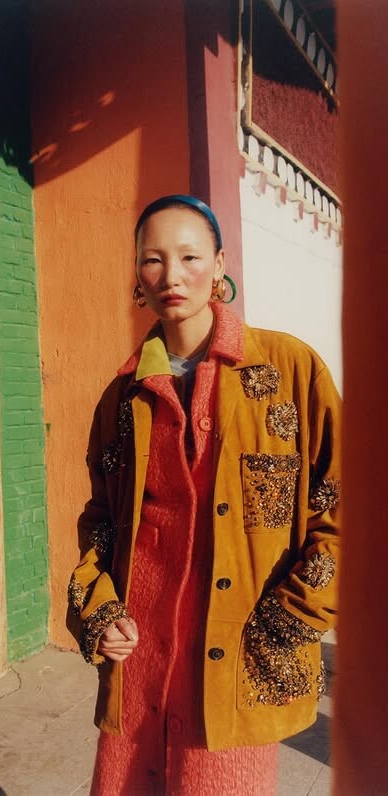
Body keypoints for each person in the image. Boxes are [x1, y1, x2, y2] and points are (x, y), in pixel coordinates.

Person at [68, 195, 340, 795]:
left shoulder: (290, 371)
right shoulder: (123, 396)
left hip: (239, 648)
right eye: (153, 259)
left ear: (219, 265)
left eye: (190, 257)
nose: (172, 275)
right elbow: (102, 519)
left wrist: (290, 619)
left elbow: (351, 508)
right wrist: (99, 609)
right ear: (138, 275)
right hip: (140, 653)